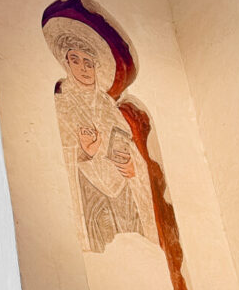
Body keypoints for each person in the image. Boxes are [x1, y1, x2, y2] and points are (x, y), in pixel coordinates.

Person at [44, 20, 158, 254]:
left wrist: (131, 165)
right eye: (75, 61)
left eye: (88, 63)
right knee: (102, 241)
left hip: (122, 192)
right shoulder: (63, 101)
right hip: (91, 190)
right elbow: (59, 151)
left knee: (136, 249)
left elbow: (130, 147)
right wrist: (85, 151)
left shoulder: (109, 106)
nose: (83, 69)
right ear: (66, 63)